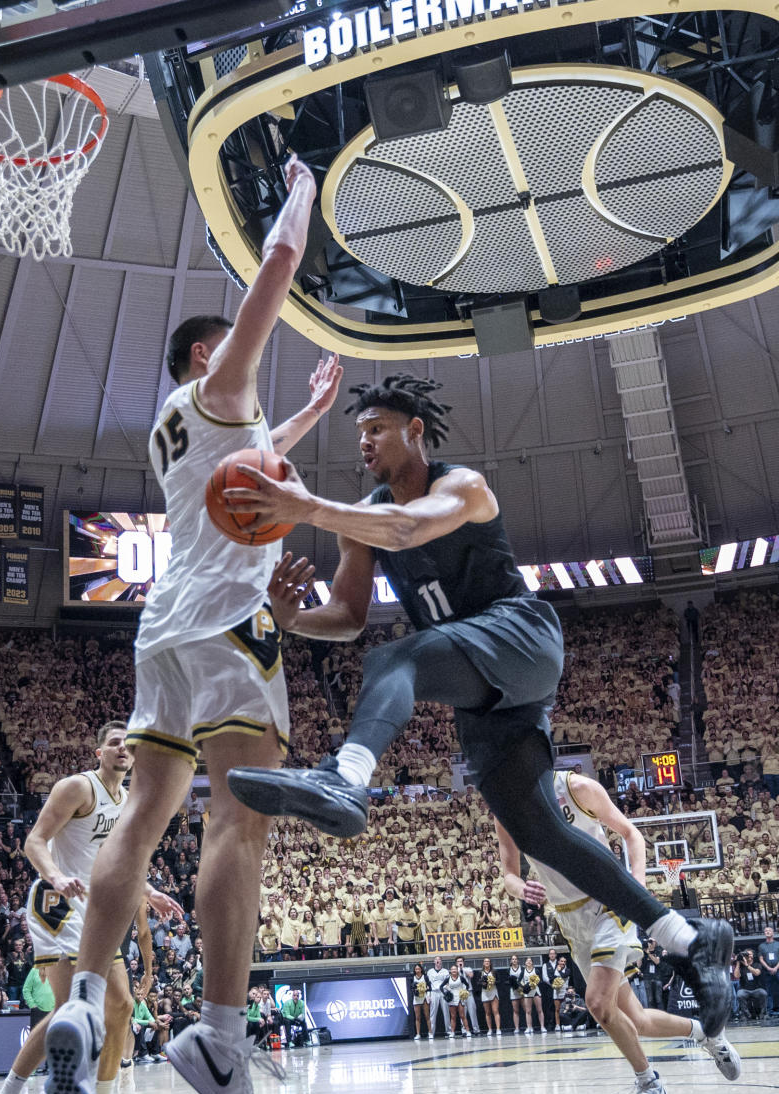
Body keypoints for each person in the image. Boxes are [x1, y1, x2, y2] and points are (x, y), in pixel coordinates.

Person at [222, 375, 733, 1042]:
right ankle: (689, 938)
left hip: (520, 638)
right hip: (481, 684)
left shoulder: (464, 486)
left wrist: (307, 505)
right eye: (358, 433)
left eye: (376, 427)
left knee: (395, 657)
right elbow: (346, 616)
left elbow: (407, 528)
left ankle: (345, 775)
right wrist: (293, 619)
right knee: (540, 833)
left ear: (414, 431)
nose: (364, 441)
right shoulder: (360, 522)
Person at [42, 157, 343, 1094]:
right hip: (226, 624)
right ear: (207, 356)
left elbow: (249, 449)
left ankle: (85, 1000)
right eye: (231, 352)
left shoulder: (183, 429)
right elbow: (283, 264)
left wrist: (303, 416)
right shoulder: (219, 386)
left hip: (161, 627)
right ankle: (219, 1040)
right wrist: (300, 186)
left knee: (143, 814)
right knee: (240, 823)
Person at [0, 722, 180, 1094]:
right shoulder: (77, 788)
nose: (123, 748)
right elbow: (34, 841)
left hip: (95, 908)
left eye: (129, 744)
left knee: (122, 1006)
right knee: (73, 1009)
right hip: (57, 904)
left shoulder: (128, 801)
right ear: (98, 752)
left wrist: (150, 890)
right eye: (113, 743)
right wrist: (56, 876)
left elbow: (118, 861)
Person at [495, 768, 739, 1094]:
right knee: (634, 1019)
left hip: (609, 901)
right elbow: (508, 873)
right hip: (568, 917)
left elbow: (631, 834)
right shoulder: (507, 809)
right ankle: (705, 1033)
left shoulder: (576, 787)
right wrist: (521, 889)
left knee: (596, 1002)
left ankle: (651, 1086)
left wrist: (635, 891)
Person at [425, 953, 452, 1039]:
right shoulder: (430, 972)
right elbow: (428, 984)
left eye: (439, 959)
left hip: (443, 992)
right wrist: (428, 995)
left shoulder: (445, 971)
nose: (437, 961)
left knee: (446, 1012)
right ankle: (431, 1032)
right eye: (436, 959)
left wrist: (448, 992)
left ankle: (448, 1031)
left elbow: (448, 983)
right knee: (432, 1013)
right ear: (434, 961)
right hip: (433, 992)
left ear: (441, 961)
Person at [479, 957, 500, 1035]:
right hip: (485, 993)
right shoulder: (480, 972)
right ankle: (490, 1029)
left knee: (495, 1011)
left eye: (488, 961)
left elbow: (499, 981)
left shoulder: (494, 972)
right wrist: (483, 983)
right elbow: (478, 983)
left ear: (490, 963)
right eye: (485, 961)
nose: (487, 962)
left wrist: (493, 982)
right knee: (487, 1012)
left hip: (493, 992)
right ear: (483, 963)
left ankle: (498, 1029)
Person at [410, 959, 428, 1039]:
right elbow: (410, 988)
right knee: (417, 1017)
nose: (417, 970)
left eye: (418, 969)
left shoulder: (425, 977)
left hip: (424, 997)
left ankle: (430, 1032)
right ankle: (418, 1034)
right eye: (416, 969)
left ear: (421, 969)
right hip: (416, 998)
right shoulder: (412, 977)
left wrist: (425, 989)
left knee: (427, 1016)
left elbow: (429, 986)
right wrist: (415, 990)